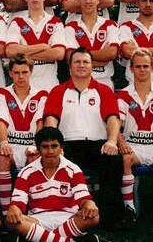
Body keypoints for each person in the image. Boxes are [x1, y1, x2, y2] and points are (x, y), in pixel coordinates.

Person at [42, 47, 123, 230]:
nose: (81, 65)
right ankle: (61, 215)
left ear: (92, 66)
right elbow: (51, 120)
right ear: (70, 67)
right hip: (67, 145)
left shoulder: (104, 90)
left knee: (113, 162)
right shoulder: (58, 91)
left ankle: (109, 218)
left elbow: (112, 118)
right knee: (53, 161)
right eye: (77, 62)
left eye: (85, 62)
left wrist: (111, 141)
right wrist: (54, 145)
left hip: (97, 144)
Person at [5, 127, 100, 242]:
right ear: (38, 149)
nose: (50, 151)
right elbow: (18, 203)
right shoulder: (27, 172)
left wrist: (90, 204)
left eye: (54, 146)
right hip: (37, 221)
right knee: (10, 221)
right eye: (45, 146)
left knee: (94, 217)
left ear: (61, 147)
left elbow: (84, 199)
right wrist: (14, 209)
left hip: (68, 218)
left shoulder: (73, 169)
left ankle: (41, 238)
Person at [116, 49, 153, 226]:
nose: (142, 70)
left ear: (152, 68)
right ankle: (129, 209)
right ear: (131, 69)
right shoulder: (123, 95)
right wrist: (121, 143)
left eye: (145, 66)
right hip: (133, 146)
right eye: (138, 66)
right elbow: (115, 126)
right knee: (124, 158)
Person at [0, 54, 48, 215]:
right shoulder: (2, 93)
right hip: (11, 144)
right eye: (16, 73)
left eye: (24, 72)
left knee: (33, 157)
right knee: (3, 157)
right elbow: (1, 121)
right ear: (10, 73)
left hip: (30, 145)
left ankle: (27, 211)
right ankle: (5, 211)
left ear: (31, 72)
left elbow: (40, 123)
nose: (21, 77)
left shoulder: (41, 94)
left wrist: (35, 145)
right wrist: (4, 143)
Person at [5, 0, 66, 92]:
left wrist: (24, 54)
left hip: (49, 83)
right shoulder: (17, 22)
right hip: (24, 83)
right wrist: (43, 47)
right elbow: (10, 51)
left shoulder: (55, 22)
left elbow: (59, 53)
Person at [65, 0, 119, 89]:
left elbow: (112, 53)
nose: (88, 1)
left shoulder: (110, 25)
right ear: (78, 1)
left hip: (104, 83)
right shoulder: (70, 27)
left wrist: (81, 59)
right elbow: (70, 58)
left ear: (98, 0)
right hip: (78, 83)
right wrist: (101, 60)